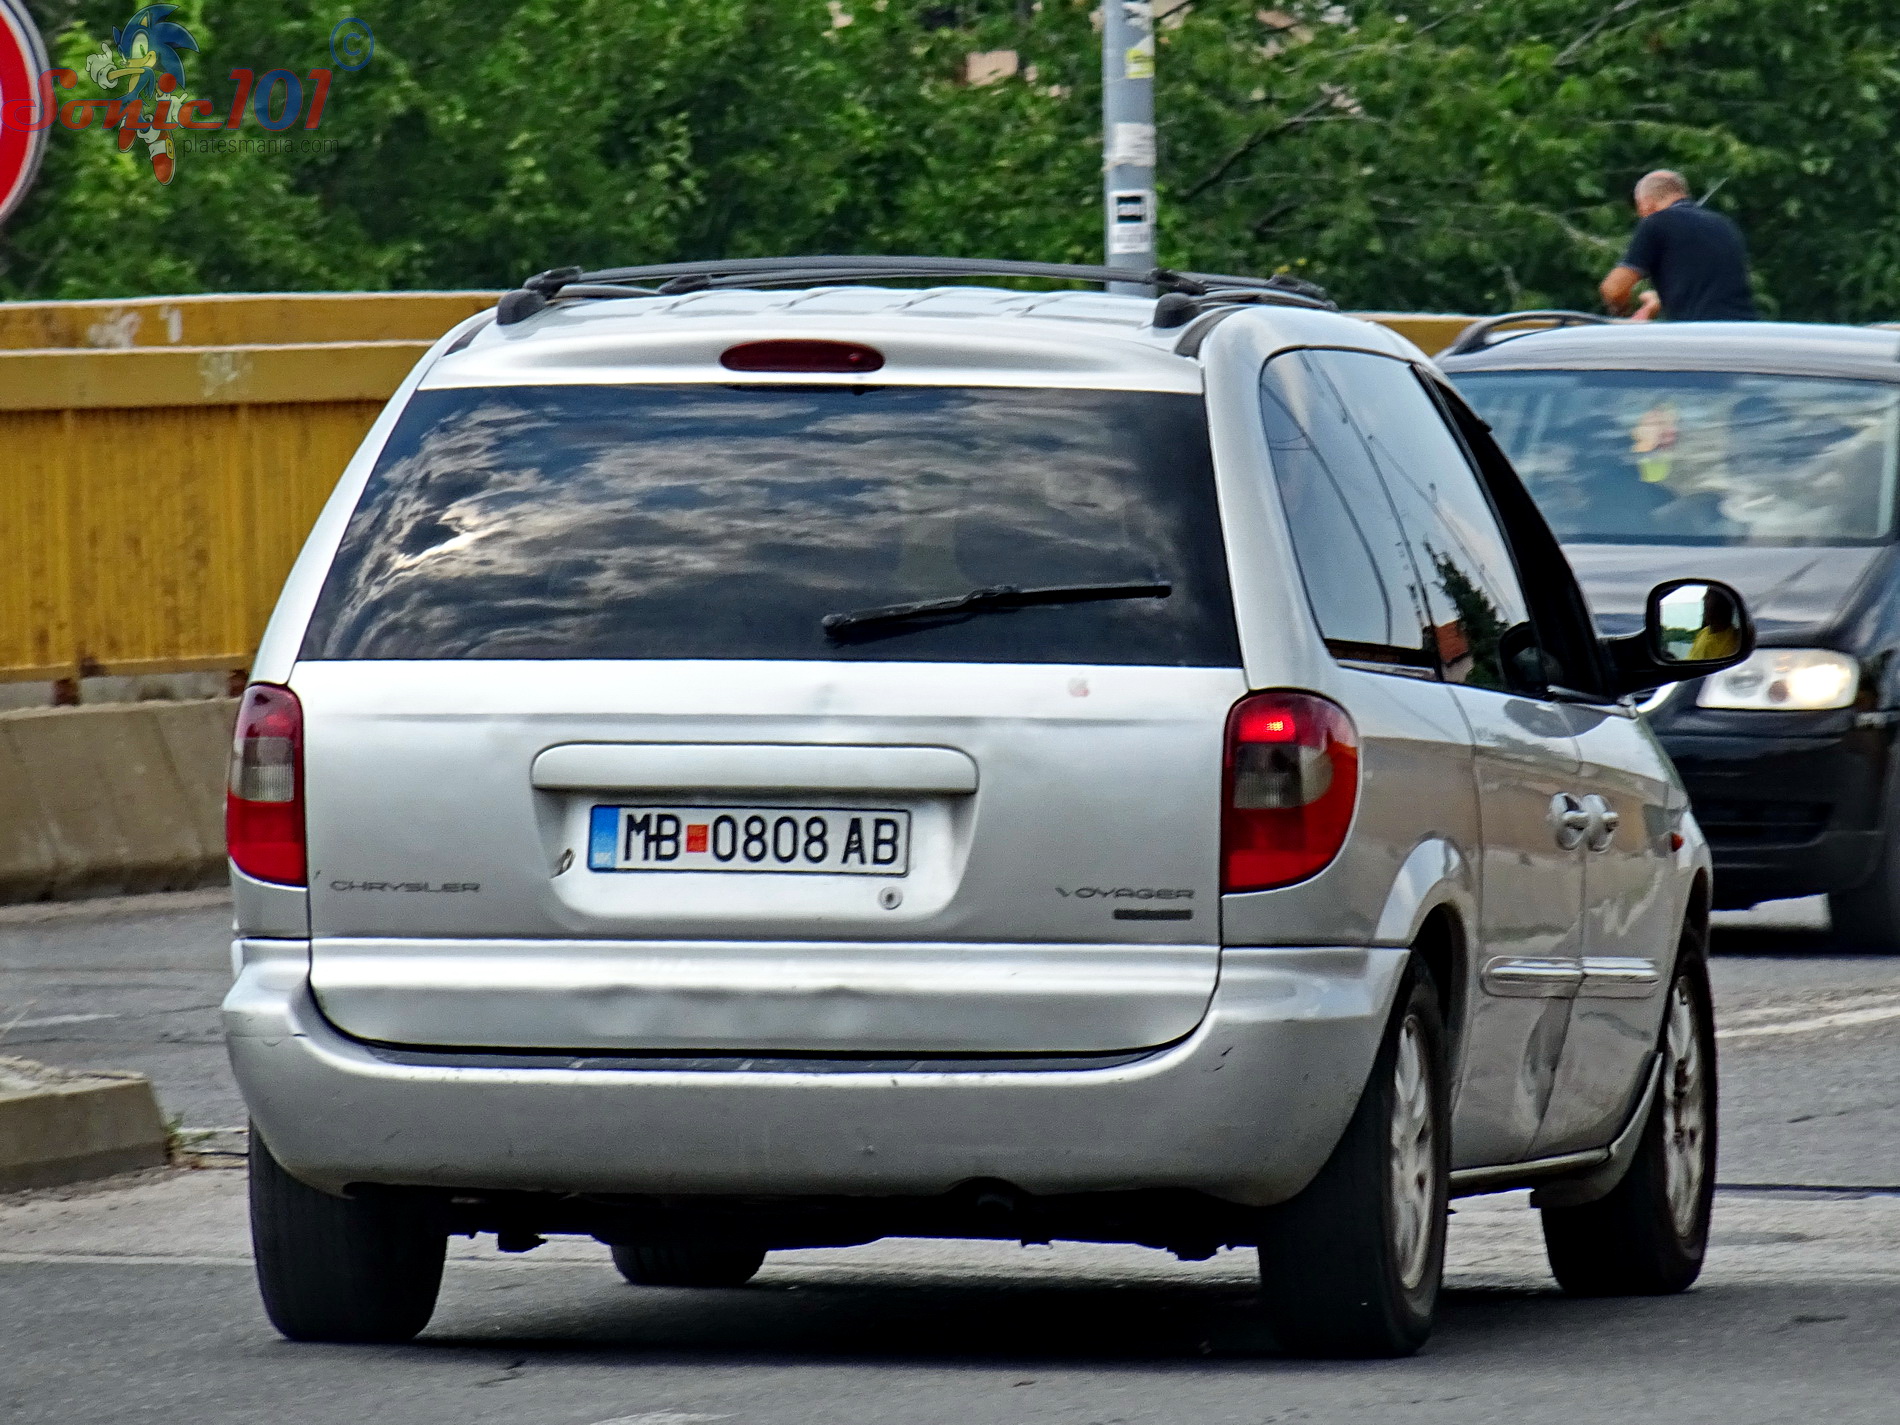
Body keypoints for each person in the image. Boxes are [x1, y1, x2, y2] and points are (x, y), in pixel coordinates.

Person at [1599, 170, 1757, 323]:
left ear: (1646, 204)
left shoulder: (1656, 222)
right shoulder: (1725, 225)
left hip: (1696, 335)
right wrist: (1657, 303)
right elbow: (1705, 288)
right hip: (1743, 330)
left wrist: (1627, 317)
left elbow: (1613, 289)